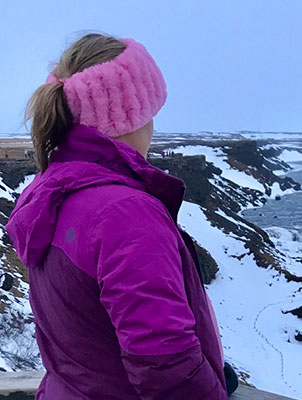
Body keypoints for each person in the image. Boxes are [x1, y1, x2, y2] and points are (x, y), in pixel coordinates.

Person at [6, 33, 237, 399]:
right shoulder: (123, 213)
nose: (153, 128)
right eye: (151, 114)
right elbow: (166, 364)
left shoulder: (50, 190)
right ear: (131, 117)